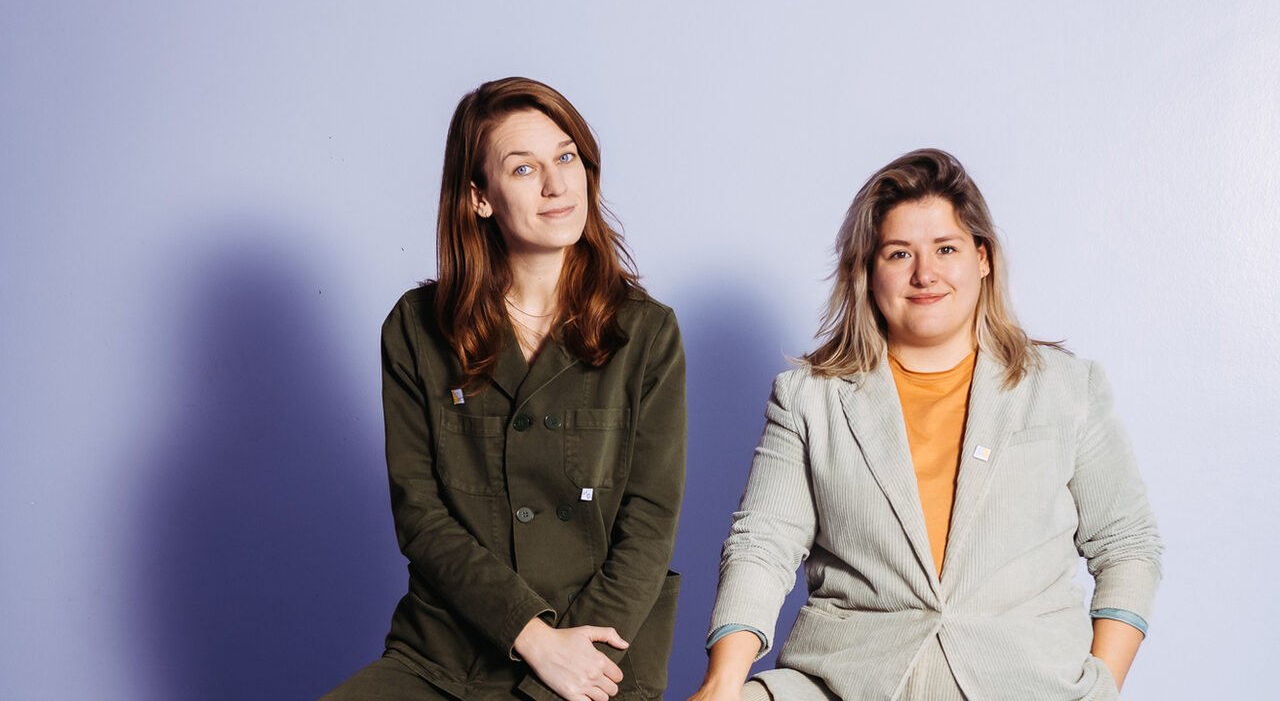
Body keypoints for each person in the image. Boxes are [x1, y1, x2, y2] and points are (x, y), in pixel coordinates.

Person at [688, 149, 1161, 701]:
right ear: (868, 271)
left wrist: (1102, 685)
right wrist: (723, 682)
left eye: (945, 248)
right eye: (898, 253)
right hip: (845, 682)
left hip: (1026, 683)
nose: (924, 274)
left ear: (982, 258)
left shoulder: (1066, 387)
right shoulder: (809, 398)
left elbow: (1127, 543)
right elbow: (762, 544)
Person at [322, 77, 686, 701]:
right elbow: (421, 515)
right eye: (523, 168)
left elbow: (649, 525)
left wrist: (568, 662)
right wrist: (531, 636)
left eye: (566, 158)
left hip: (599, 648)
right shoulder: (416, 327)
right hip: (449, 650)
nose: (556, 185)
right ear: (479, 197)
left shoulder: (646, 333)